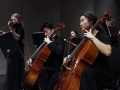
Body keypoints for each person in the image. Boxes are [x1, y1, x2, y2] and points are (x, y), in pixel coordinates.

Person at [48, 11, 113, 90]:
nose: (80, 23)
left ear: (91, 21)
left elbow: (108, 52)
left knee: (86, 72)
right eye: (80, 21)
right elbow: (78, 55)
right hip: (86, 69)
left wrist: (92, 37)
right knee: (56, 77)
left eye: (82, 20)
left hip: (101, 72)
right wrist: (69, 57)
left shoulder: (101, 35)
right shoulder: (85, 39)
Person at [27, 21, 65, 90]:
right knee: (28, 75)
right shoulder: (47, 41)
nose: (45, 34)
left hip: (56, 68)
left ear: (52, 30)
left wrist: (49, 42)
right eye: (44, 32)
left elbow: (58, 51)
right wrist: (31, 59)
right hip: (46, 67)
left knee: (43, 69)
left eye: (46, 31)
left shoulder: (60, 40)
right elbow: (40, 54)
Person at [0, 13, 25, 90]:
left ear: (19, 20)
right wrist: (2, 32)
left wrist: (11, 29)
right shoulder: (15, 27)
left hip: (18, 51)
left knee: (16, 71)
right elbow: (11, 35)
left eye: (15, 19)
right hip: (14, 51)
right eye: (12, 20)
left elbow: (17, 38)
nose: (13, 21)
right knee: (11, 70)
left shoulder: (20, 27)